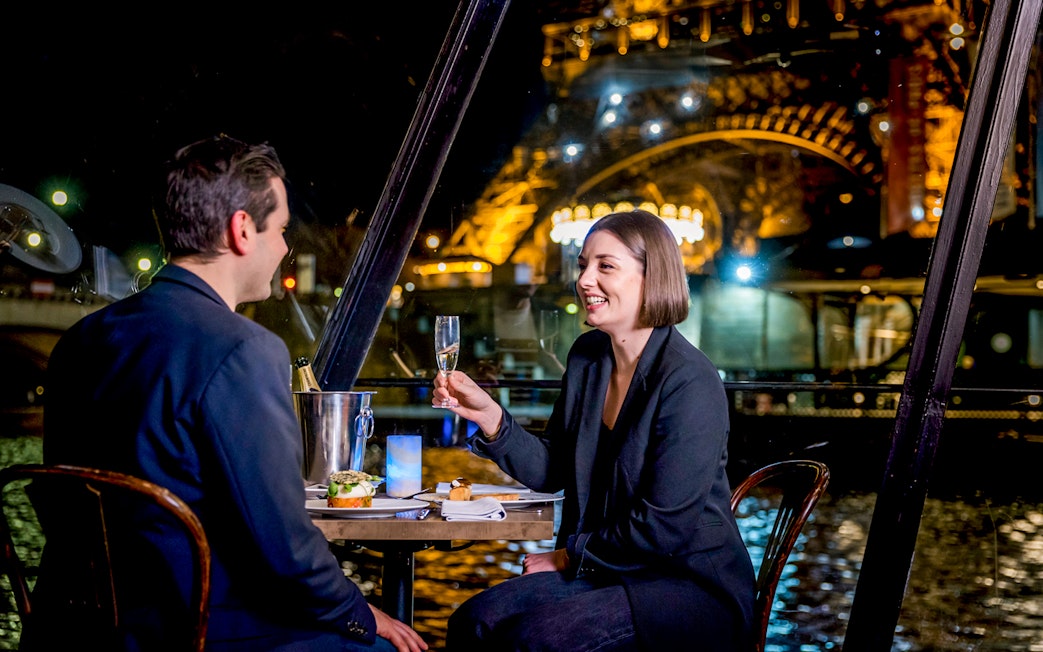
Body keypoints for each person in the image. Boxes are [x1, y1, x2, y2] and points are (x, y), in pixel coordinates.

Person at [30, 135, 428, 652]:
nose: (285, 248)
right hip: (194, 631)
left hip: (77, 627)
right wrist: (357, 613)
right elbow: (284, 547)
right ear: (242, 230)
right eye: (280, 229)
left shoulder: (81, 340)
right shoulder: (243, 349)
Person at [432, 209, 755, 651]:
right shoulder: (588, 356)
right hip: (610, 570)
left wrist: (570, 557)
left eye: (605, 266)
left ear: (652, 277)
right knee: (472, 622)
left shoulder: (690, 380)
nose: (584, 280)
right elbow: (553, 469)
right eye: (584, 265)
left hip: (686, 584)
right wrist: (489, 415)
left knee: (533, 640)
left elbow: (663, 528)